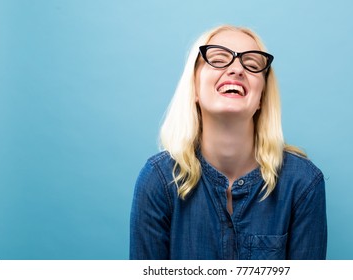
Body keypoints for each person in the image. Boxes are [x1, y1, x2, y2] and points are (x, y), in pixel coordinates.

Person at [130, 25, 327, 260]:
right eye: (218, 59)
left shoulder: (304, 183)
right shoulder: (158, 181)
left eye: (252, 65)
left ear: (261, 98)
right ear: (194, 87)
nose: (236, 69)